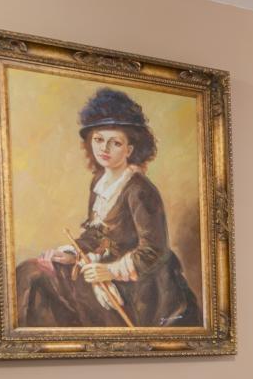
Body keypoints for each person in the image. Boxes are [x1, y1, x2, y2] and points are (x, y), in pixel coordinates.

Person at [16, 87, 203, 328]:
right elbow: (97, 234)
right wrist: (73, 254)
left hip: (141, 285)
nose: (104, 149)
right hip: (101, 267)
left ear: (129, 149)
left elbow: (154, 250)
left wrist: (110, 271)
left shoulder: (140, 190)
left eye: (115, 143)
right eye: (98, 140)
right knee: (31, 273)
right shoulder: (99, 183)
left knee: (52, 285)